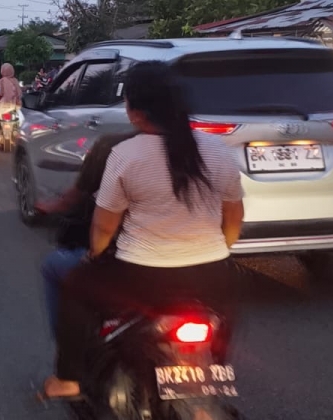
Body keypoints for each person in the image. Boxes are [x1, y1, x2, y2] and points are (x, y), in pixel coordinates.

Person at [42, 60, 245, 400]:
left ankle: (68, 379)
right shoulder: (217, 149)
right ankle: (209, 376)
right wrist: (217, 252)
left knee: (74, 285)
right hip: (211, 275)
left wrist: (95, 255)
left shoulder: (125, 154)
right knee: (225, 311)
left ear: (135, 112)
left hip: (142, 278)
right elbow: (233, 220)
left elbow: (104, 226)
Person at [36, 131, 137, 335]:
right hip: (192, 273)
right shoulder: (197, 151)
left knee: (53, 265)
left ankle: (67, 345)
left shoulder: (114, 148)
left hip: (135, 268)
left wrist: (93, 257)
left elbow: (103, 227)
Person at [0, 62, 24, 143]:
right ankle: (18, 132)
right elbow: (19, 93)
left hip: (3, 105)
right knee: (19, 118)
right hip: (14, 106)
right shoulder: (15, 81)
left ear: (2, 71)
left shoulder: (2, 81)